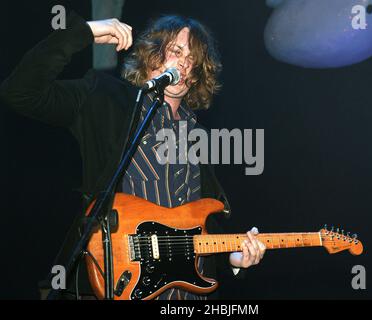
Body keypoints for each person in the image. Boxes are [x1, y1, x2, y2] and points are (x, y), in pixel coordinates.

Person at [0, 11, 266, 300]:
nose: (184, 64)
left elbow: (199, 228)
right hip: (118, 283)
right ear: (151, 54)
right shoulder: (104, 100)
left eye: (193, 60)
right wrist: (83, 33)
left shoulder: (196, 138)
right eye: (176, 51)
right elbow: (20, 92)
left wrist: (233, 261)